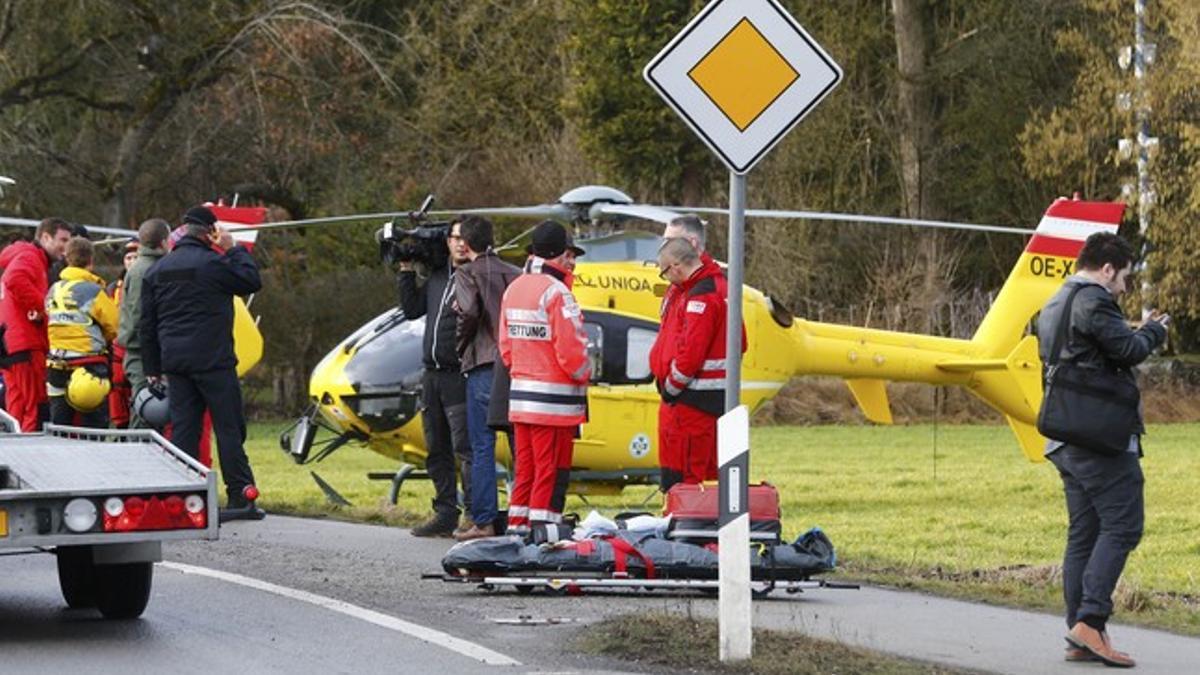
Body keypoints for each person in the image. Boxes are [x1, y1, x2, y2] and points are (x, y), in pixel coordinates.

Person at [1036, 232, 1168, 668]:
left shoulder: (1055, 301)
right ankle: (1091, 621)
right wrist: (1153, 330)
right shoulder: (1093, 299)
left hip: (1064, 435)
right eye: (1125, 277)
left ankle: (1080, 635)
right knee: (1124, 525)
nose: (1125, 288)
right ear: (1107, 268)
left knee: (1084, 534)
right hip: (1098, 438)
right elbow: (1128, 350)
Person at [140, 206, 264, 521]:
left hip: (176, 363)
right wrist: (232, 248)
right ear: (210, 233)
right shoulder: (215, 263)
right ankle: (239, 495)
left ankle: (183, 497)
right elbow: (251, 280)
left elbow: (147, 325)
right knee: (228, 429)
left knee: (184, 430)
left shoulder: (157, 271)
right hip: (214, 361)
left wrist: (153, 368)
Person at [497, 220, 590, 542]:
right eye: (569, 254)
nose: (572, 261)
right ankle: (542, 536)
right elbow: (572, 352)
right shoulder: (557, 293)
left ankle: (517, 530)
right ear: (558, 255)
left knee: (525, 470)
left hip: (521, 399)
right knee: (548, 472)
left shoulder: (514, 288)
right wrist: (586, 375)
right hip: (554, 405)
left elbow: (505, 347)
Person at [651, 215, 744, 491]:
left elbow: (691, 352)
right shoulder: (691, 289)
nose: (664, 247)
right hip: (689, 406)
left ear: (688, 246)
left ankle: (685, 532)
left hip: (690, 405)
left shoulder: (703, 293)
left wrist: (671, 386)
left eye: (670, 242)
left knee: (686, 485)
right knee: (686, 483)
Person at [397, 219, 473, 537]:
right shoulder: (440, 277)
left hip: (459, 376)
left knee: (464, 447)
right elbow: (412, 309)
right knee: (436, 446)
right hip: (432, 375)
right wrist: (404, 270)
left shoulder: (476, 279)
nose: (458, 243)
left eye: (464, 238)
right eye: (454, 238)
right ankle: (445, 511)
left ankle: (473, 512)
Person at [452, 215, 521, 541]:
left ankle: (484, 520)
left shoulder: (466, 274)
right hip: (515, 366)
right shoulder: (515, 273)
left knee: (482, 445)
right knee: (520, 444)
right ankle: (525, 515)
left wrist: (461, 344)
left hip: (483, 365)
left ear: (465, 243)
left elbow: (468, 312)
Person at [0, 217, 72, 431]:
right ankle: (30, 459)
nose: (66, 247)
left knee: (18, 407)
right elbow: (15, 279)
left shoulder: (21, 257)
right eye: (63, 240)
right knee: (36, 407)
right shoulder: (31, 258)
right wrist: (43, 308)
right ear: (45, 237)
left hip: (10, 343)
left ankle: (12, 456)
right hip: (26, 343)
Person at [45, 237, 119, 427]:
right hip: (89, 364)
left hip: (56, 363)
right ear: (91, 261)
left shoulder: (54, 289)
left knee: (59, 425)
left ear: (67, 259)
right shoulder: (93, 291)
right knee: (94, 426)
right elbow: (114, 325)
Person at [119, 218, 171, 426]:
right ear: (163, 242)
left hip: (140, 351)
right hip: (142, 353)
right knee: (146, 413)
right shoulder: (148, 271)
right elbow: (142, 318)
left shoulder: (141, 267)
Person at [107, 239, 141, 428]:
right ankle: (121, 428)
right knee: (117, 390)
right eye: (128, 257)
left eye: (136, 257)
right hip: (118, 347)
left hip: (138, 346)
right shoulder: (113, 289)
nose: (132, 261)